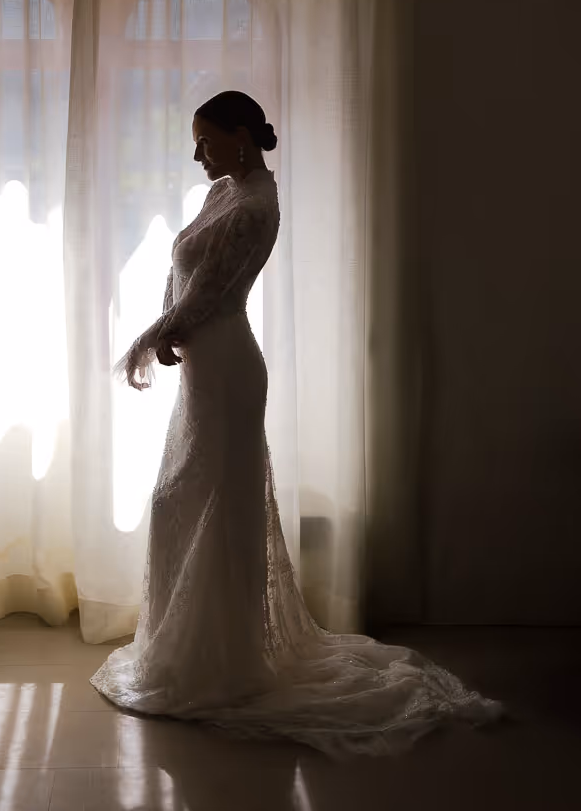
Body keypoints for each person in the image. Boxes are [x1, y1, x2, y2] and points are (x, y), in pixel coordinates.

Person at [91, 91, 501, 758]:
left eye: (206, 140)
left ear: (242, 136)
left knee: (215, 509)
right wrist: (167, 331)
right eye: (194, 143)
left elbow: (212, 292)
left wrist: (151, 338)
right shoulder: (224, 191)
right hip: (202, 367)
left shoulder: (257, 208)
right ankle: (189, 648)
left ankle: (220, 664)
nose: (196, 154)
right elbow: (181, 267)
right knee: (179, 503)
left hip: (226, 370)